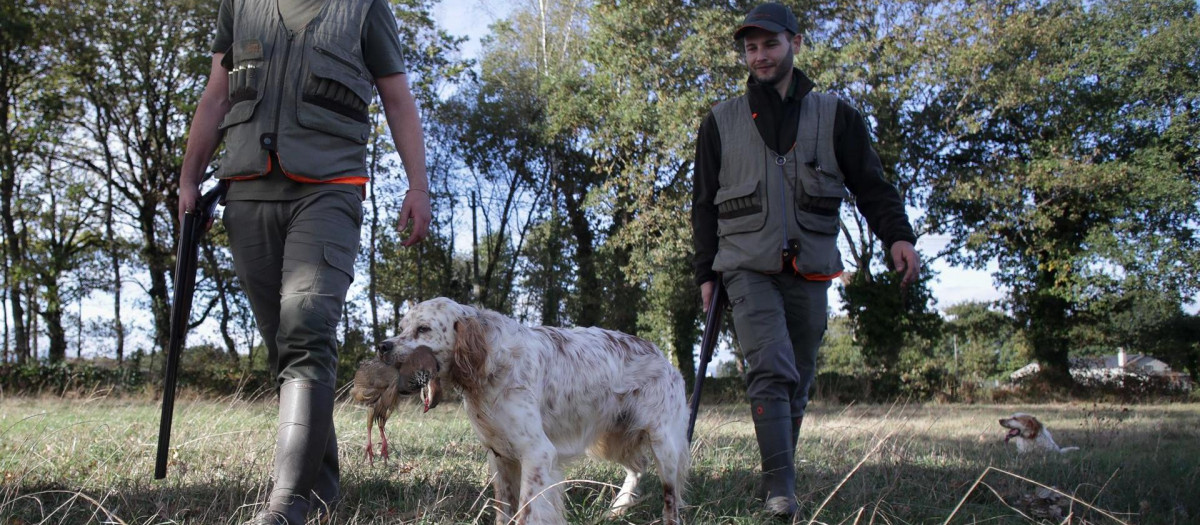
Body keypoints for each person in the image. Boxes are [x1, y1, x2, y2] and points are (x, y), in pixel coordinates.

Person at [177, 0, 431, 522]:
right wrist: (188, 177)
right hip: (246, 193)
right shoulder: (240, 5)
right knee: (285, 349)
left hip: (330, 189)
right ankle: (322, 491)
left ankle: (287, 504)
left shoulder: (364, 9)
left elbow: (397, 98)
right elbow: (216, 94)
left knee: (308, 325)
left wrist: (418, 184)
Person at [691, 2, 920, 517]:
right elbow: (703, 204)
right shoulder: (720, 122)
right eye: (750, 48)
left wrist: (897, 237)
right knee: (770, 367)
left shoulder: (837, 114)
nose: (760, 56)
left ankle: (779, 474)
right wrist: (705, 273)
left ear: (795, 43)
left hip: (811, 264)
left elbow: (871, 185)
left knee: (798, 373)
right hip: (744, 266)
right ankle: (781, 491)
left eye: (769, 44)